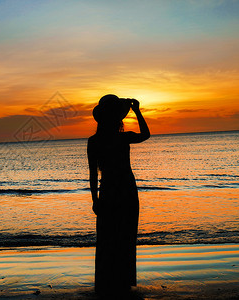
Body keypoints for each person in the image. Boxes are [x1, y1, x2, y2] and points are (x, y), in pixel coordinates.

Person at [87, 94, 150, 296]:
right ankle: (122, 281)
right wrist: (137, 111)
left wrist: (95, 199)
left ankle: (109, 282)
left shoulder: (95, 141)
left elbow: (92, 175)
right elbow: (146, 134)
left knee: (109, 237)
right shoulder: (121, 138)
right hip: (124, 190)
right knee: (123, 236)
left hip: (111, 191)